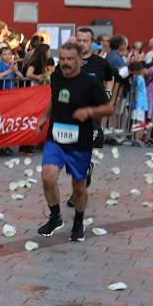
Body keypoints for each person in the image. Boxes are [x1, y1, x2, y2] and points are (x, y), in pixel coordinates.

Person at [35, 42, 113, 242]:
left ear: (79, 60)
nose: (65, 63)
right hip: (56, 138)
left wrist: (88, 111)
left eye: (70, 59)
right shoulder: (56, 76)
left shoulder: (91, 82)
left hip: (80, 141)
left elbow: (108, 109)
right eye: (62, 59)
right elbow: (54, 97)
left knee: (78, 186)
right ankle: (55, 218)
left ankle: (78, 224)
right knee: (48, 177)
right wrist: (44, 117)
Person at [128, 61, 149, 147]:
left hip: (138, 102)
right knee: (138, 120)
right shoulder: (140, 78)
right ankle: (136, 138)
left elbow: (134, 91)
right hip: (140, 102)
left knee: (137, 120)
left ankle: (136, 138)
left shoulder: (137, 79)